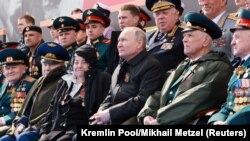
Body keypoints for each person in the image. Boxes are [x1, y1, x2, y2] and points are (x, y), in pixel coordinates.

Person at [137, 12, 233, 125]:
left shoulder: (219, 67)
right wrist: (147, 114)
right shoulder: (184, 64)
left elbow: (197, 98)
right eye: (184, 36)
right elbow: (161, 93)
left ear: (206, 41)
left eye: (190, 35)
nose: (184, 40)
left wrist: (160, 119)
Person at [90, 27, 164, 125]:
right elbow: (111, 94)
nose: (119, 45)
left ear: (139, 43)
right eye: (118, 41)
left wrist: (110, 114)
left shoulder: (151, 66)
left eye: (123, 40)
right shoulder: (122, 64)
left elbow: (143, 100)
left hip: (133, 118)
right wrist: (101, 113)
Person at [0, 42, 69, 141]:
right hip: (27, 125)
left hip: (46, 127)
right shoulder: (40, 81)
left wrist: (25, 126)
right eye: (45, 63)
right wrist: (21, 124)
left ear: (62, 65)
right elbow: (27, 110)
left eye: (53, 64)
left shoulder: (63, 82)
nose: (47, 68)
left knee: (24, 137)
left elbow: (51, 113)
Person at [39, 45, 111, 141]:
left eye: (84, 62)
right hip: (58, 129)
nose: (79, 66)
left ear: (92, 63)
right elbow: (52, 108)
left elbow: (105, 104)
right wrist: (44, 131)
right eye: (76, 62)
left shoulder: (102, 79)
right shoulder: (65, 81)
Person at [208, 8, 250, 125]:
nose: (232, 43)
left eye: (237, 37)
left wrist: (229, 123)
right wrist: (216, 120)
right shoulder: (241, 68)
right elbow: (230, 105)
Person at [0, 49, 36, 136]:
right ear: (3, 71)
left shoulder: (28, 84)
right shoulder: (5, 82)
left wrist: (3, 120)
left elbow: (19, 112)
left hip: (14, 125)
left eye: (14, 67)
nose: (10, 71)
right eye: (7, 68)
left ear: (24, 68)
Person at [145, 0, 186, 75]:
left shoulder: (185, 34)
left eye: (165, 13)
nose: (160, 17)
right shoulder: (149, 36)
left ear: (176, 15)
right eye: (157, 14)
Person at [108, 4, 142, 74]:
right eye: (119, 18)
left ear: (136, 19)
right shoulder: (115, 38)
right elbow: (111, 67)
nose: (121, 21)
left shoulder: (145, 39)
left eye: (124, 18)